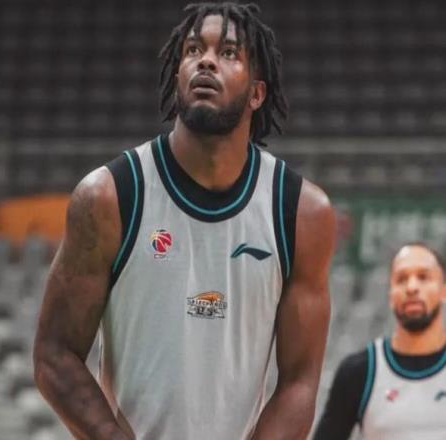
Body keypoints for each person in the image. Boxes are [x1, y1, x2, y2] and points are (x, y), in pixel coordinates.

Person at [33, 3, 335, 439]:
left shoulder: (302, 213)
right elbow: (55, 354)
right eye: (193, 50)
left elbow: (300, 383)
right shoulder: (108, 197)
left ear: (257, 93)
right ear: (177, 78)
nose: (206, 61)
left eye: (228, 53)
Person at [314, 243, 446, 440]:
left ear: (443, 290)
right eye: (401, 279)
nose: (411, 287)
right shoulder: (360, 371)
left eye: (423, 277)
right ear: (390, 294)